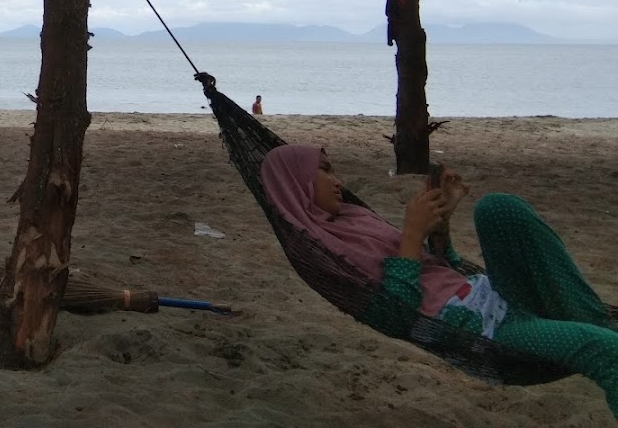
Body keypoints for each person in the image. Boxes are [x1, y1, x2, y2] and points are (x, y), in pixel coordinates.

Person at [260, 144, 618, 418]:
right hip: (489, 329)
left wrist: (441, 226)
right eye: (324, 171)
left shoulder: (357, 219)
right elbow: (398, 317)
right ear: (297, 183)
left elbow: (443, 271)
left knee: (497, 207)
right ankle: (598, 333)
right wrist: (413, 233)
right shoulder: (323, 252)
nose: (338, 181)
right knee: (607, 351)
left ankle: (593, 322)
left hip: (495, 292)